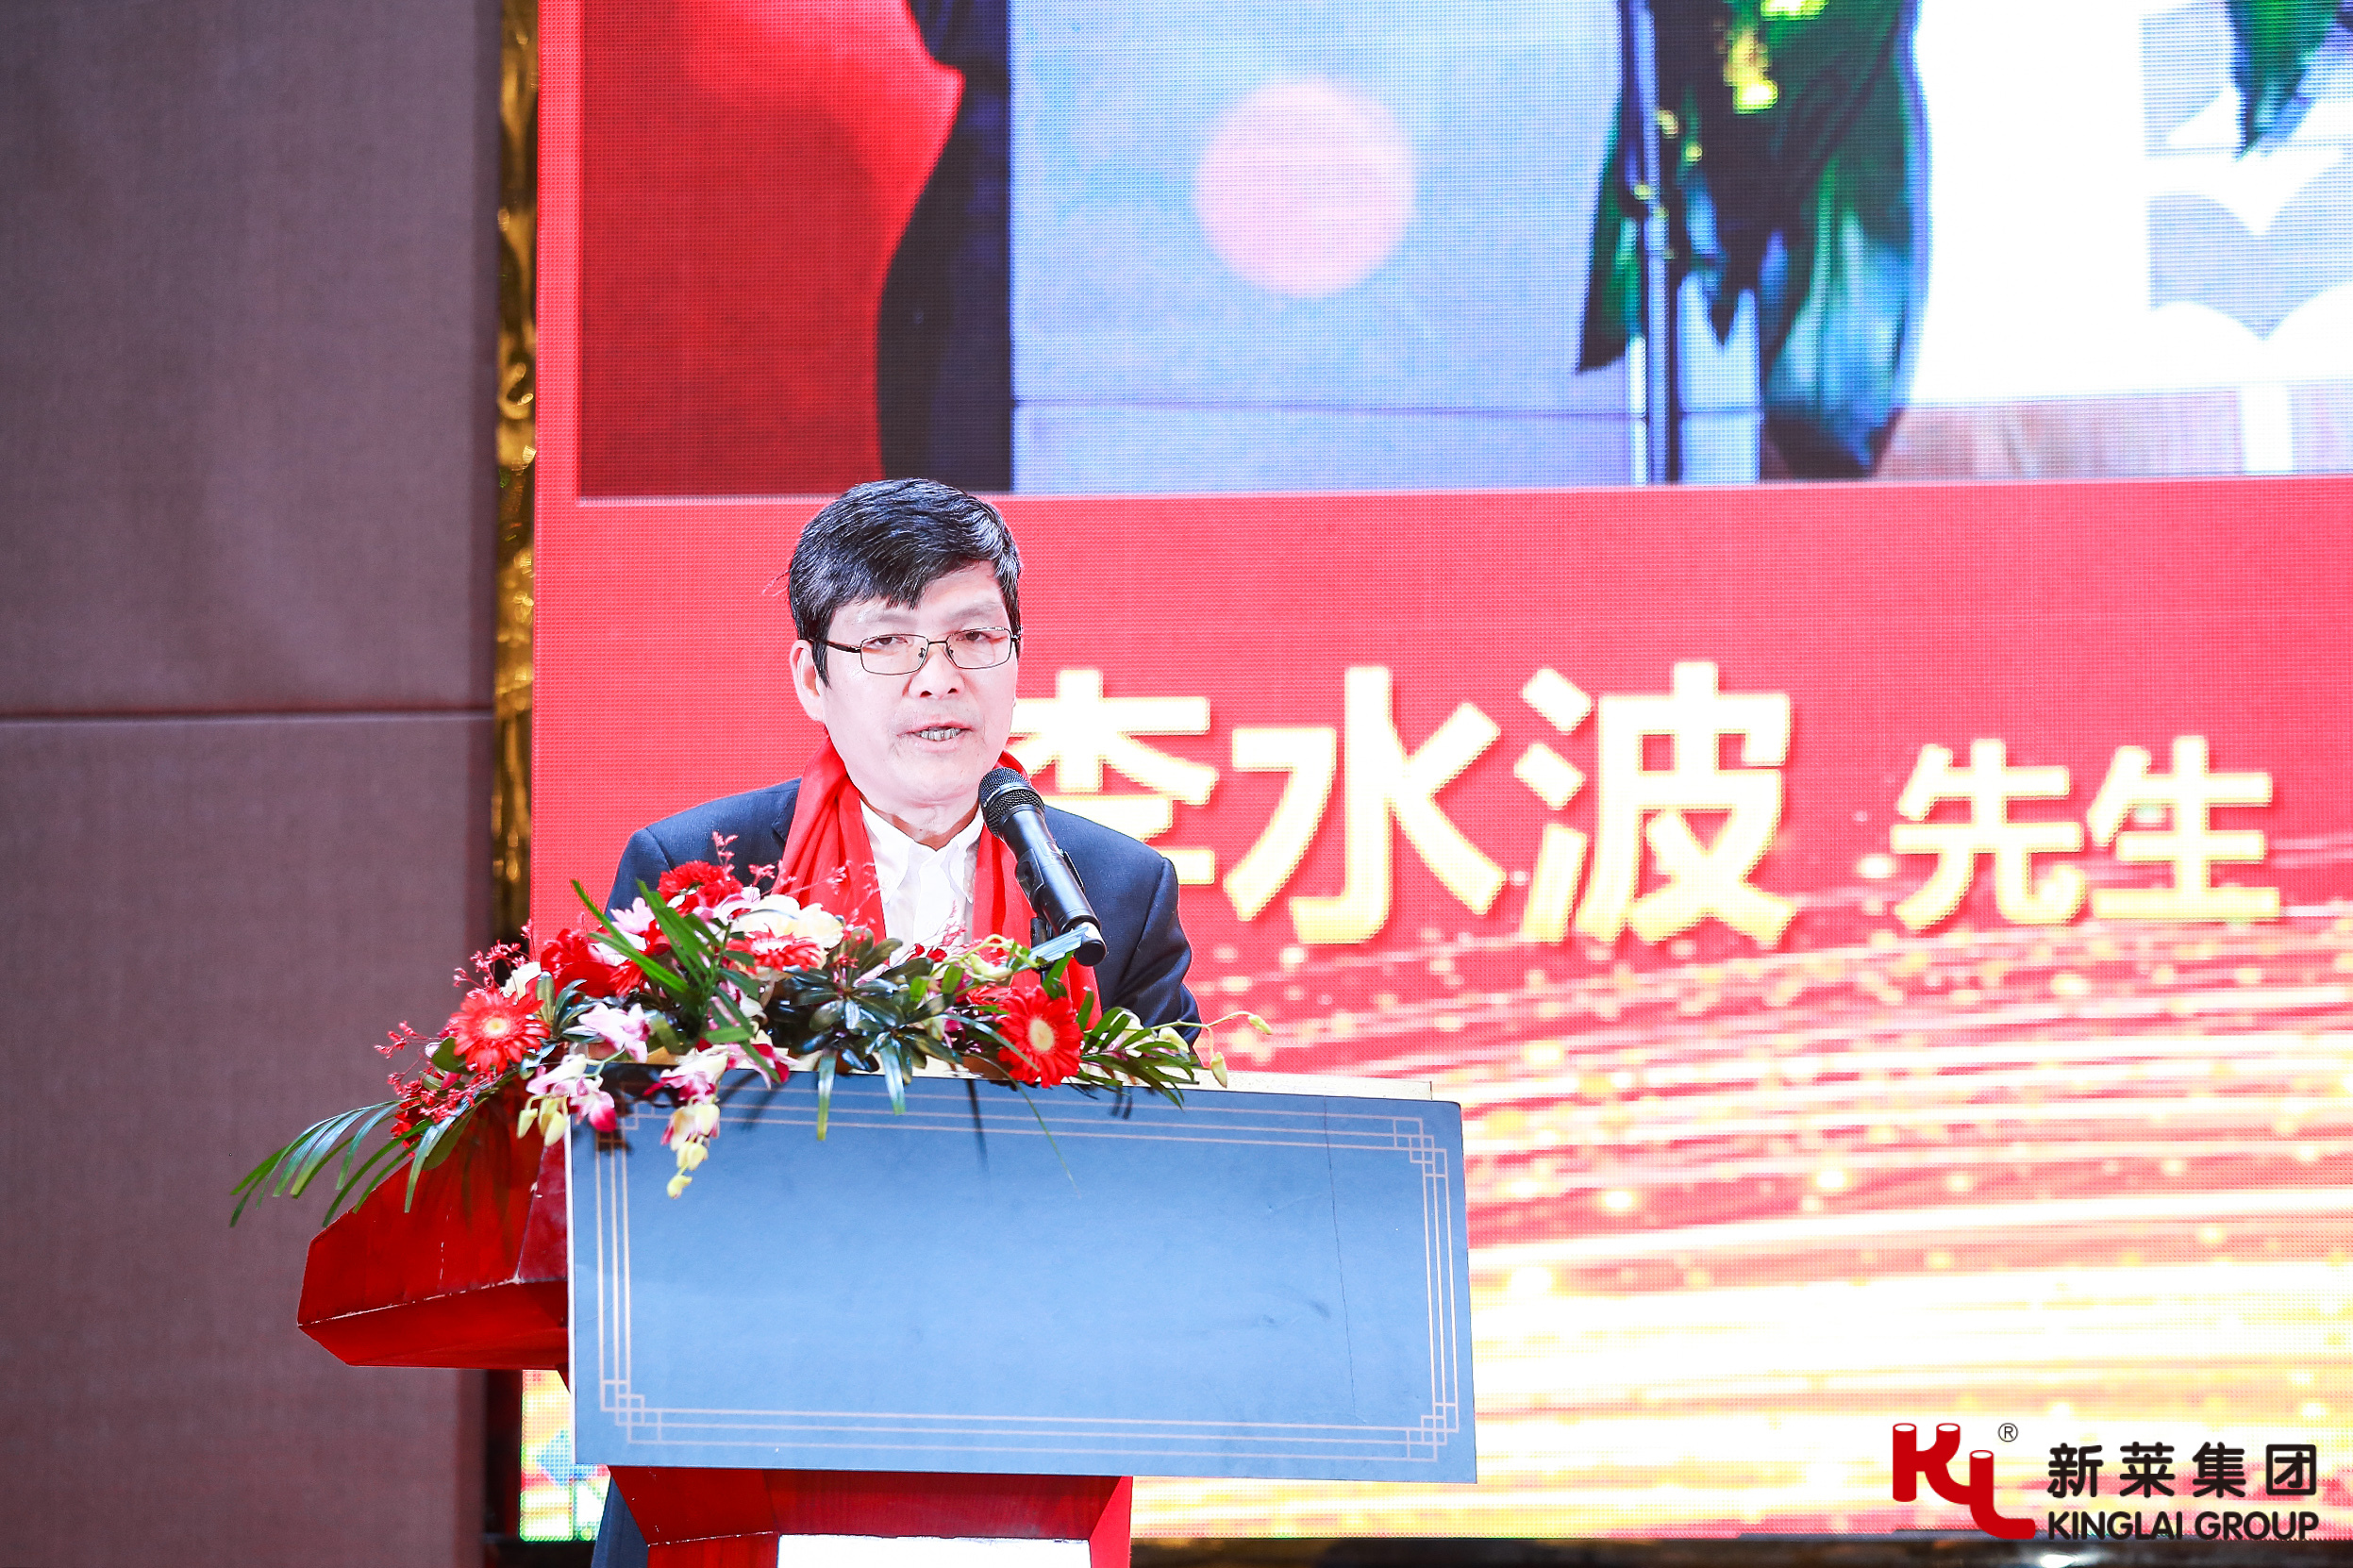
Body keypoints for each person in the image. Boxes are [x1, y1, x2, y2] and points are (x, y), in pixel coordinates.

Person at [589, 478, 1200, 1563]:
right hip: (742, 1430)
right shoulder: (698, 873)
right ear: (811, 677)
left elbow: (1178, 1171)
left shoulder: (1109, 889)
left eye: (974, 637)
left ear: (1016, 658)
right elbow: (616, 1170)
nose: (938, 678)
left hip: (1023, 1448)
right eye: (887, 643)